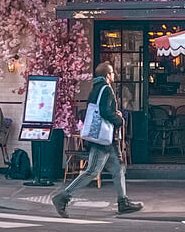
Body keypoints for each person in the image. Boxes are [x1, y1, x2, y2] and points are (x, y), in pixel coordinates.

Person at [52, 63, 143, 217]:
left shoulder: (95, 89)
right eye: (113, 72)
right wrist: (119, 119)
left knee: (118, 168)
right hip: (101, 139)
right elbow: (105, 111)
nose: (114, 75)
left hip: (105, 139)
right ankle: (63, 197)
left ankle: (123, 202)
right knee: (92, 170)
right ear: (108, 75)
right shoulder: (106, 89)